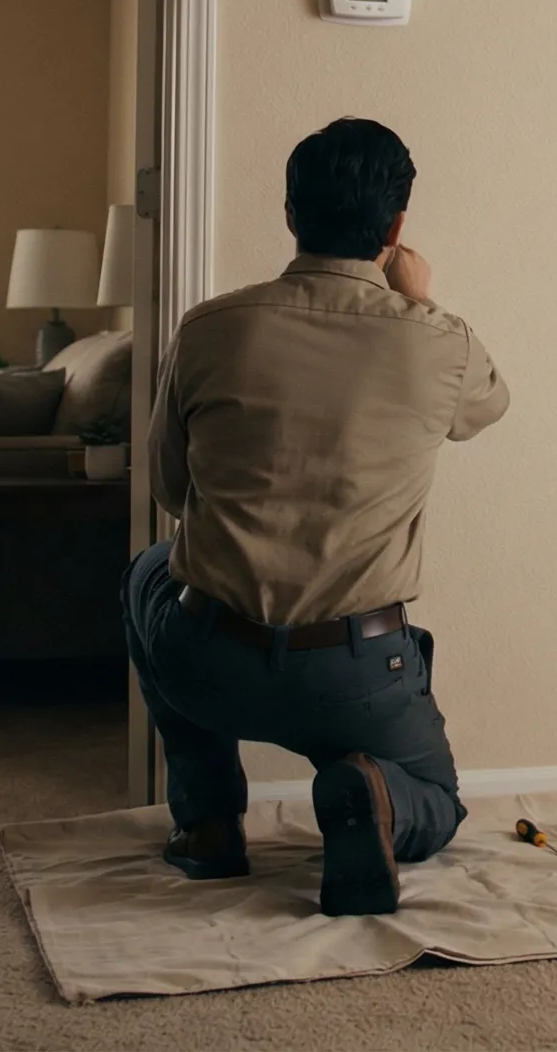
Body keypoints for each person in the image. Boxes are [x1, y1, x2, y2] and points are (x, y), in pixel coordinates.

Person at [123, 116, 509, 917]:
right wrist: (422, 301)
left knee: (147, 573)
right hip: (355, 677)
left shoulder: (207, 329)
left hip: (209, 661)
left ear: (291, 213)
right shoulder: (439, 343)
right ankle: (368, 792)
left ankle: (208, 825)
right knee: (436, 797)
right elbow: (488, 408)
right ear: (396, 226)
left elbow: (167, 488)